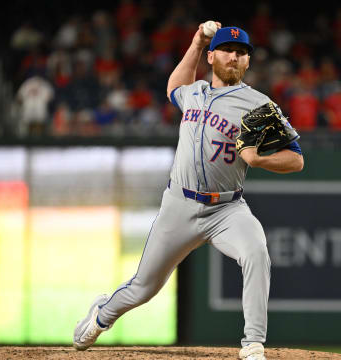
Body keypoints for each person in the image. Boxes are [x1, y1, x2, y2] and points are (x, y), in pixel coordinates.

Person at [73, 22, 304, 360]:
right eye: (228, 50)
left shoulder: (258, 104)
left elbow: (296, 160)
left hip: (227, 210)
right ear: (212, 56)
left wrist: (259, 158)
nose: (235, 57)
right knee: (144, 288)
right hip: (179, 205)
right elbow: (173, 88)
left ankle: (253, 345)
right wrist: (196, 42)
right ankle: (101, 316)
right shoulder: (194, 92)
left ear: (248, 63)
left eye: (242, 53)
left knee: (256, 252)